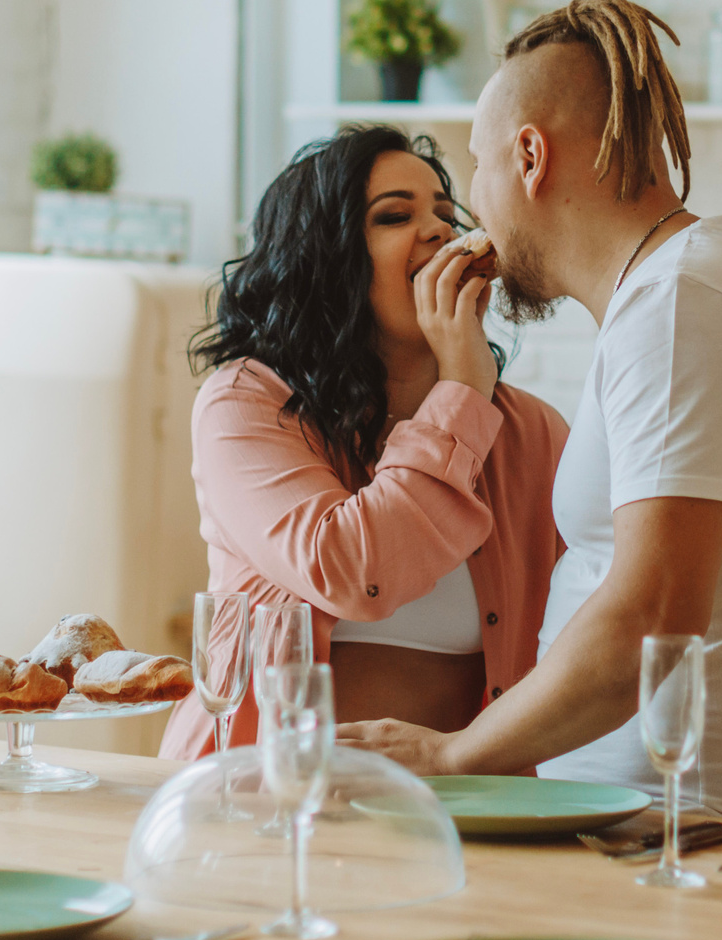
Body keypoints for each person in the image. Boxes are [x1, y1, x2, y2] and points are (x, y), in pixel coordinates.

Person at [339, 0, 722, 815]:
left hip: (685, 833)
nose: (470, 212)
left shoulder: (678, 305)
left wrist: (450, 752)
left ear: (529, 157)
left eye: (476, 169)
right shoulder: (691, 287)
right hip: (666, 820)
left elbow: (652, 614)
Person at [156, 126, 564, 760]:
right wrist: (461, 388)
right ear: (327, 258)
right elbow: (351, 571)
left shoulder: (532, 433)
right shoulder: (244, 403)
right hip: (261, 791)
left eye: (446, 213)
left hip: (462, 805)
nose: (439, 231)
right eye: (395, 216)